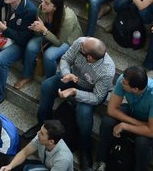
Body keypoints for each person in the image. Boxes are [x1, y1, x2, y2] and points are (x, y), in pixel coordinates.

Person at [33, 37, 115, 170]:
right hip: (73, 78)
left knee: (83, 112)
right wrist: (66, 74)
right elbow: (65, 59)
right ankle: (43, 125)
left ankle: (85, 148)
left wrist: (74, 92)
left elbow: (98, 97)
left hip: (90, 90)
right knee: (47, 86)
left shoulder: (106, 71)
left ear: (90, 57)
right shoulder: (82, 42)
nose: (80, 45)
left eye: (83, 48)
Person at [94, 66, 153, 171]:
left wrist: (124, 126)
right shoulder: (123, 79)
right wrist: (138, 123)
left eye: (125, 83)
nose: (121, 83)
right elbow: (111, 109)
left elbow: (152, 131)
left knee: (142, 142)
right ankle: (102, 162)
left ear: (135, 89)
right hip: (134, 112)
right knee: (108, 121)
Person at [0, 120, 73, 171]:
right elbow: (24, 153)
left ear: (51, 141)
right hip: (45, 166)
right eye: (40, 130)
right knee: (11, 162)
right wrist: (10, 166)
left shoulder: (63, 159)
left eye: (41, 133)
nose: (38, 133)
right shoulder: (40, 138)